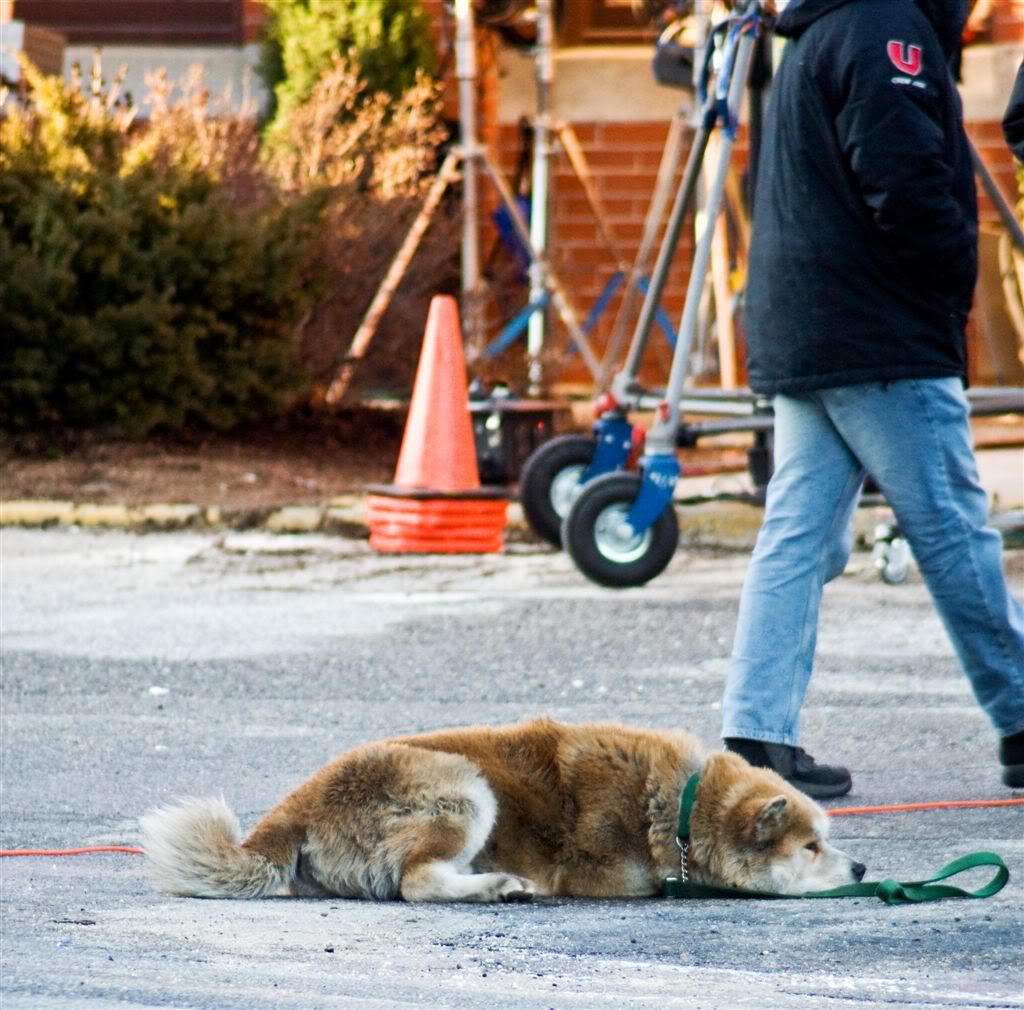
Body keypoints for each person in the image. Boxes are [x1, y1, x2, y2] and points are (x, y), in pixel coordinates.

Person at [719, 0, 1024, 796]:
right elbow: (903, 175)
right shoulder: (887, 26)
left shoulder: (822, 27)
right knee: (955, 531)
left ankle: (755, 742)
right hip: (878, 332)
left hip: (805, 326)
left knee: (798, 538)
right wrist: (955, 276)